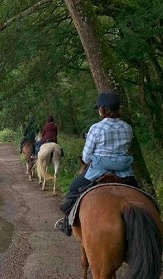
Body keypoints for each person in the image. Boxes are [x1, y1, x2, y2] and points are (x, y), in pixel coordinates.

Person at [54, 91, 139, 236]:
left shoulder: (96, 128)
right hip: (125, 172)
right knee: (140, 195)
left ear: (103, 109)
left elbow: (86, 158)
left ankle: (67, 223)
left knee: (74, 187)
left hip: (99, 171)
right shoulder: (127, 128)